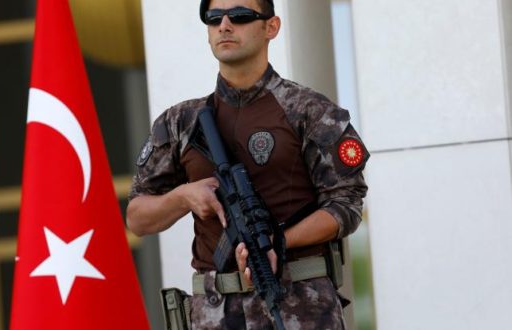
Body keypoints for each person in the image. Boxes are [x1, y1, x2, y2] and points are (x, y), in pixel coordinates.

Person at [127, 0, 368, 328]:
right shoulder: (180, 122)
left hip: (299, 307)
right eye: (213, 19)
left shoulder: (309, 111)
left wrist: (279, 241)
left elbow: (346, 205)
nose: (224, 26)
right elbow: (138, 218)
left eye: (240, 16)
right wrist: (184, 196)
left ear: (272, 27)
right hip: (215, 313)